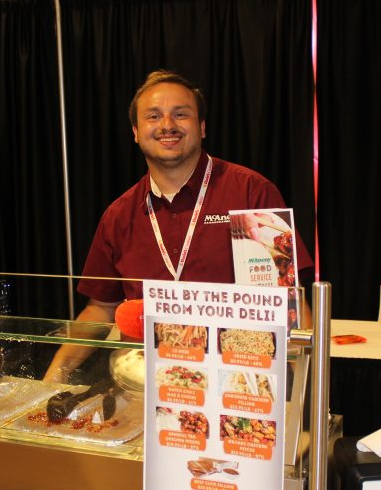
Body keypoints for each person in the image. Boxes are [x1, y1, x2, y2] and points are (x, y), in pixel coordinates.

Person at [44, 70, 311, 381]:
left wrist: (303, 402)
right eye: (153, 116)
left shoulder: (250, 193)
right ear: (135, 130)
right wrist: (52, 380)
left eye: (180, 115)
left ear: (201, 127)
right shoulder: (119, 215)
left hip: (240, 386)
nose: (167, 125)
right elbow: (100, 310)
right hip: (146, 386)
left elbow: (287, 302)